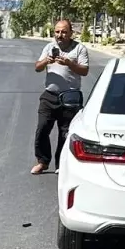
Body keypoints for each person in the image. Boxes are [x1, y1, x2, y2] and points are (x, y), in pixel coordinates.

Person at [32, 20, 89, 174]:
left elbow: (84, 71)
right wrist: (46, 61)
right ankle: (42, 161)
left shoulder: (79, 49)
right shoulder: (49, 47)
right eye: (57, 32)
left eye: (63, 32)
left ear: (70, 33)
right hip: (49, 96)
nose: (60, 35)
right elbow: (37, 67)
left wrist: (69, 63)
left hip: (70, 97)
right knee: (42, 129)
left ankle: (61, 165)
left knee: (65, 133)